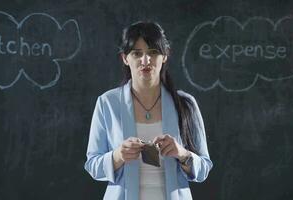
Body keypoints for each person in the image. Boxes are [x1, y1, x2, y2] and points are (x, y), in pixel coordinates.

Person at [84, 21, 213, 200]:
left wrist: (182, 154)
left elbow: (204, 168)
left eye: (153, 52)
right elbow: (92, 165)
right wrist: (118, 155)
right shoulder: (107, 103)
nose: (146, 61)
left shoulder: (185, 104)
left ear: (165, 56)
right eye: (137, 53)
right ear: (125, 58)